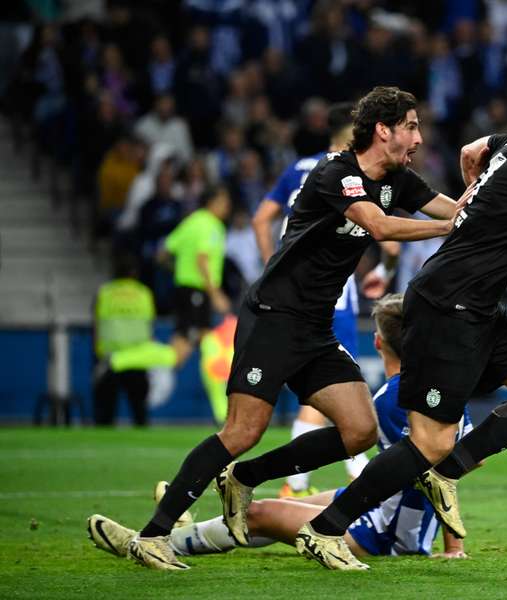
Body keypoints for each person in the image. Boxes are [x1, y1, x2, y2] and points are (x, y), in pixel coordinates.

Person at [298, 64, 507, 571]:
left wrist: (474, 197)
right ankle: (326, 527)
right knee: (427, 441)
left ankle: (446, 473)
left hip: (476, 303)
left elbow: (472, 151)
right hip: (448, 304)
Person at [121, 86, 461, 570]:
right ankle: (154, 535)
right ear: (383, 130)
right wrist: (451, 228)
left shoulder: (398, 178)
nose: (419, 137)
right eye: (411, 125)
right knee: (242, 430)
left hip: (315, 327)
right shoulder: (336, 173)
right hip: (273, 317)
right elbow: (381, 227)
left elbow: (452, 209)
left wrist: (487, 203)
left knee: (359, 429)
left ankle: (244, 477)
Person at [88, 294, 470, 563]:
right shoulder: (440, 388)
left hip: (385, 533)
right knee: (266, 511)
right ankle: (177, 530)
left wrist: (446, 545)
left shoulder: (391, 399)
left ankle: (157, 541)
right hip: (392, 515)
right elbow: (453, 467)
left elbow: (438, 469)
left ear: (377, 342)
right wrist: (452, 545)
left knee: (259, 515)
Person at [251, 102, 370, 498]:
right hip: (331, 290)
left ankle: (312, 479)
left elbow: (260, 218)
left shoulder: (300, 168)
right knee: (336, 378)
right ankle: (341, 474)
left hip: (292, 286)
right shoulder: (351, 171)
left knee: (321, 384)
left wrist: (274, 262)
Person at [103, 185, 232, 376]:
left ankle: (221, 400)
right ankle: (120, 360)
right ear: (212, 202)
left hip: (186, 290)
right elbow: (202, 260)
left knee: (207, 344)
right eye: (224, 201)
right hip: (197, 291)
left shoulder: (191, 222)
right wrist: (216, 294)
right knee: (179, 354)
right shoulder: (211, 225)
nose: (227, 206)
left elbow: (162, 254)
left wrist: (180, 270)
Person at [92, 254, 156, 426]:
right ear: (134, 273)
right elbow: (149, 327)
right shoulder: (144, 293)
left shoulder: (104, 293)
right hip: (137, 358)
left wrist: (97, 354)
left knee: (105, 414)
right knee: (140, 412)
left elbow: (97, 325)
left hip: (110, 358)